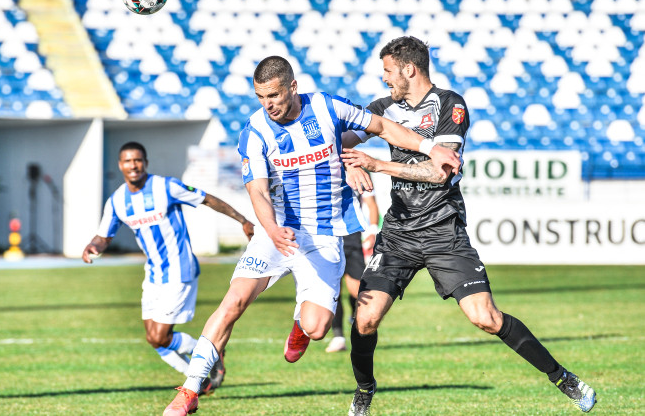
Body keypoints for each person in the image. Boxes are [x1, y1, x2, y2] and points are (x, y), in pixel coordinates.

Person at [162, 55, 462, 416]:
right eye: (260, 97)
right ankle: (189, 390)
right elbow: (256, 190)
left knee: (317, 328)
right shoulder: (255, 130)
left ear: (292, 87)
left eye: (273, 95)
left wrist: (431, 147)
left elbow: (381, 125)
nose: (268, 104)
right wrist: (270, 228)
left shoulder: (326, 107)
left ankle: (300, 325)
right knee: (234, 301)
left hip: (324, 236)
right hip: (277, 231)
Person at [341, 36, 597, 415]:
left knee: (486, 318)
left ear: (409, 69)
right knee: (364, 319)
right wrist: (348, 161)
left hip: (444, 230)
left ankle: (563, 378)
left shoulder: (450, 104)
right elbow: (341, 140)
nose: (384, 79)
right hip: (398, 233)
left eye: (388, 71)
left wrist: (378, 165)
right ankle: (364, 390)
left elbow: (440, 171)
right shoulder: (382, 109)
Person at [82, 141, 255, 395]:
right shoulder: (117, 201)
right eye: (128, 161)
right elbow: (103, 236)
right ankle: (202, 374)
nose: (133, 165)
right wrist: (92, 246)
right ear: (120, 166)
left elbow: (206, 199)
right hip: (153, 274)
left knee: (161, 336)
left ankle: (209, 356)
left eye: (138, 160)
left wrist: (243, 220)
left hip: (179, 270)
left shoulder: (166, 186)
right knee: (154, 339)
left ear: (146, 163)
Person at [326, 186, 379, 353]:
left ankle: (354, 318)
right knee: (334, 292)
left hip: (352, 238)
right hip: (328, 238)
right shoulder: (321, 171)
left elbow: (371, 204)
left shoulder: (358, 173)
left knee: (359, 292)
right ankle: (338, 337)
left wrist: (372, 230)